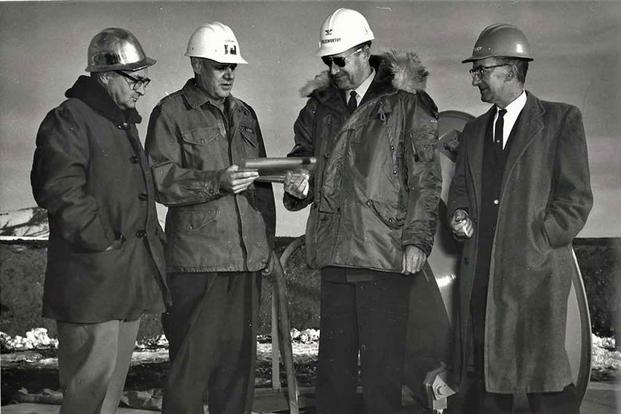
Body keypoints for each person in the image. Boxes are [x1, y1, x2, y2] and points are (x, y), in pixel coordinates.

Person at [283, 8, 442, 414]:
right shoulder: (319, 108)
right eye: (328, 62)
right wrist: (299, 183)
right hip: (335, 254)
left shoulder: (408, 104)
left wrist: (416, 241)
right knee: (332, 374)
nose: (334, 70)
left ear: (365, 51)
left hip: (383, 254)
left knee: (381, 374)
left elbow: (425, 179)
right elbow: (304, 160)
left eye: (341, 60)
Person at [447, 23, 593, 414]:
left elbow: (576, 199)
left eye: (481, 69)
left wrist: (540, 240)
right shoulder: (475, 131)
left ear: (509, 71)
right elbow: (460, 189)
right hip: (483, 276)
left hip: (536, 276)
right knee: (487, 382)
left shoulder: (561, 120)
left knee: (544, 381)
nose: (474, 78)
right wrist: (459, 214)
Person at [30, 28, 168, 414]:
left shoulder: (121, 122)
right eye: (135, 78)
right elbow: (58, 188)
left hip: (122, 281)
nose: (142, 87)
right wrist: (103, 241)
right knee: (87, 394)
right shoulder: (70, 118)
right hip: (91, 282)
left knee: (108, 396)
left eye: (144, 78)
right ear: (106, 75)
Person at [145, 22, 275, 414]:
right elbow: (159, 179)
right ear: (198, 65)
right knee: (190, 370)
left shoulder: (246, 114)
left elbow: (261, 186)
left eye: (233, 66)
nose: (230, 73)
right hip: (199, 265)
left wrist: (265, 246)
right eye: (220, 65)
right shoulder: (171, 112)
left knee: (237, 371)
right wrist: (214, 181)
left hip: (245, 264)